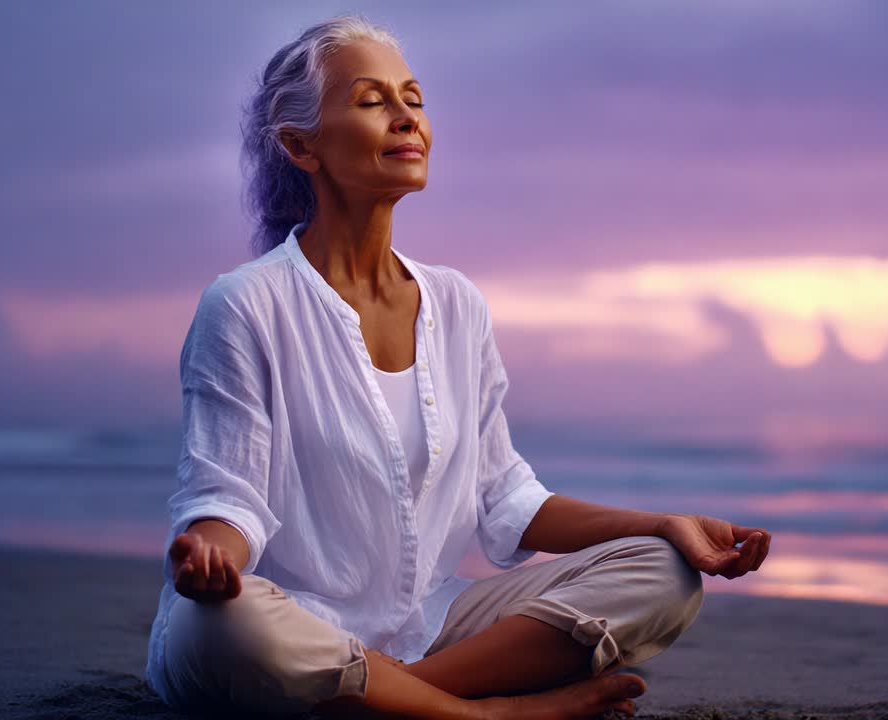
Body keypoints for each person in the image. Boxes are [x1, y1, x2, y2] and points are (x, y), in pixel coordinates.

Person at [143, 14, 772, 720]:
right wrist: (206, 558)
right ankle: (485, 713)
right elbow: (229, 500)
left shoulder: (456, 303)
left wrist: (663, 523)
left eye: (413, 97)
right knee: (220, 626)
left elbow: (508, 501)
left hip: (429, 628)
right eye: (372, 100)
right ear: (300, 145)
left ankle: (396, 698)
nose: (407, 116)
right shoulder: (247, 304)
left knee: (664, 574)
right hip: (295, 623)